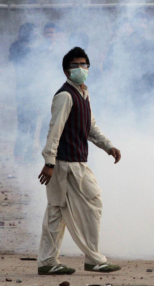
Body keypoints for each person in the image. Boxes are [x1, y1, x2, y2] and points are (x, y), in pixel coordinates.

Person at [37, 47, 122, 275]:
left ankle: (47, 262)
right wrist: (50, 162)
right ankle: (94, 259)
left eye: (84, 64)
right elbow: (54, 131)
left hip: (75, 163)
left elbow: (90, 127)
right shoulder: (65, 96)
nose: (81, 69)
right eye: (75, 65)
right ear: (66, 71)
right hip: (66, 165)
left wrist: (108, 146)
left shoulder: (84, 93)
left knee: (56, 212)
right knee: (93, 205)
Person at [104, 13, 154, 113]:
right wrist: (109, 90)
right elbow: (107, 68)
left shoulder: (150, 46)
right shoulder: (116, 46)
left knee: (141, 118)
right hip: (122, 89)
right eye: (139, 23)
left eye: (144, 23)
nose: (141, 26)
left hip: (143, 90)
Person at [9, 23, 42, 164]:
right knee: (23, 123)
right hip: (23, 90)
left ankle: (28, 155)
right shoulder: (17, 47)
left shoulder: (37, 48)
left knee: (33, 124)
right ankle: (19, 155)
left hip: (35, 90)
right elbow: (16, 64)